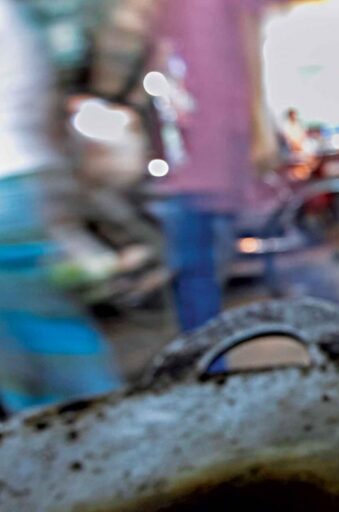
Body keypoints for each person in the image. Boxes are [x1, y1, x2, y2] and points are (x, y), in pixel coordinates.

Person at [0, 0, 121, 413]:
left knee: (37, 350)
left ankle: (99, 443)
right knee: (41, 344)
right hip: (19, 181)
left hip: (9, 188)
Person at [147, 0, 277, 333]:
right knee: (196, 270)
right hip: (193, 151)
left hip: (223, 140)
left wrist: (260, 125)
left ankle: (206, 365)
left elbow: (250, 35)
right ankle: (207, 366)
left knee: (198, 268)